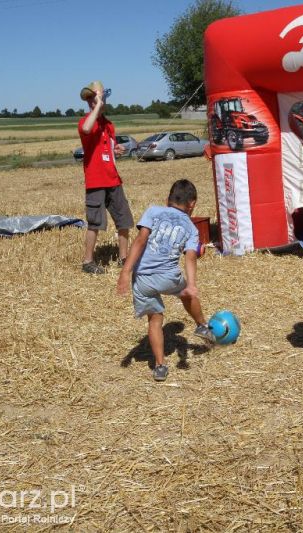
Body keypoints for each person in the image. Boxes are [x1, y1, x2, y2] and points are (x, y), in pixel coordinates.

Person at [116, 179, 215, 382]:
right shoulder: (191, 228)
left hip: (142, 279)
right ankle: (202, 325)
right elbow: (190, 257)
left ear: (167, 199)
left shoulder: (152, 211)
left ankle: (160, 366)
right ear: (192, 204)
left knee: (155, 320)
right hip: (168, 276)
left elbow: (140, 240)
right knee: (186, 292)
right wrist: (192, 284)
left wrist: (125, 271)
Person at [78, 81, 134, 274]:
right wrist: (98, 108)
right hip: (96, 182)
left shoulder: (109, 125)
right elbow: (86, 129)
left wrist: (116, 150)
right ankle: (88, 262)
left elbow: (107, 149)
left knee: (124, 220)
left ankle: (124, 258)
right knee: (95, 223)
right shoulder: (86, 122)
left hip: (114, 179)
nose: (93, 101)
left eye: (96, 97)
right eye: (91, 99)